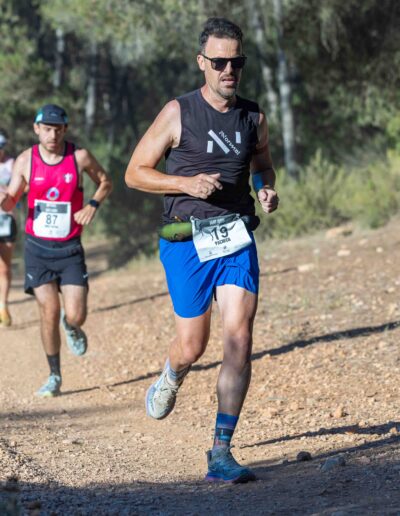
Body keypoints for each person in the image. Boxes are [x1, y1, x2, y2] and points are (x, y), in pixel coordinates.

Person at [125, 17, 279, 483]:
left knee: (240, 338)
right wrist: (185, 183)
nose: (229, 70)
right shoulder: (179, 112)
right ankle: (171, 374)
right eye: (219, 62)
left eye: (237, 62)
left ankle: (221, 450)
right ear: (202, 63)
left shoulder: (253, 117)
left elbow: (263, 163)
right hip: (185, 240)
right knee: (193, 344)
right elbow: (135, 172)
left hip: (235, 236)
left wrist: (265, 186)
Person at [0, 104, 112, 396]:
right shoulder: (26, 160)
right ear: (37, 129)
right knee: (48, 310)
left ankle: (71, 326)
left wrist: (92, 205)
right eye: (47, 129)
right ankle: (54, 375)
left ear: (65, 130)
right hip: (37, 249)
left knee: (76, 315)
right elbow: (11, 202)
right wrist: (3, 198)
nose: (52, 135)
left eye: (58, 129)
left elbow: (105, 181)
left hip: (70, 249)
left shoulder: (79, 157)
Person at [0, 131, 17, 327]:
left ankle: (3, 306)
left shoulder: (12, 164)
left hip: (6, 221)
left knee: (4, 268)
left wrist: (7, 194)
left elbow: (25, 186)